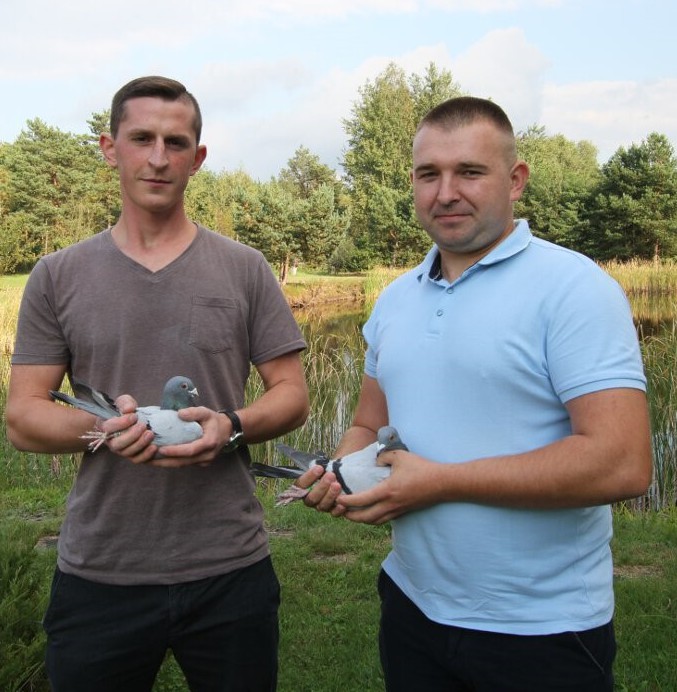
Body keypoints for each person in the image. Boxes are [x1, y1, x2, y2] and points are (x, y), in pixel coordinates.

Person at [295, 96, 652, 691]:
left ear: (516, 181)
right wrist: (341, 474)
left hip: (542, 628)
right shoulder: (396, 299)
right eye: (428, 174)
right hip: (411, 604)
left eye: (469, 172)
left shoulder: (574, 289)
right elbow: (367, 425)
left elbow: (623, 462)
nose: (445, 193)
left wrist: (439, 481)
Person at [6, 75, 309, 691]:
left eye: (176, 143)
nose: (158, 157)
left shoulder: (245, 269)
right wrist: (107, 428)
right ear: (109, 148)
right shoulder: (57, 276)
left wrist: (231, 426)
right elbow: (24, 418)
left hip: (229, 567)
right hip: (101, 570)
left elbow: (292, 394)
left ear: (198, 158)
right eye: (141, 138)